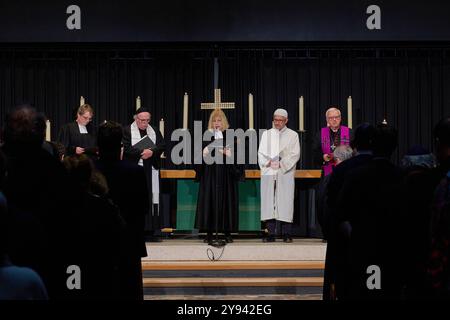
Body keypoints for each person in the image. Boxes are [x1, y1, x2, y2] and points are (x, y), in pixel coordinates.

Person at [96, 120, 149, 299]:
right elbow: (143, 208)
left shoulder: (90, 171)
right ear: (120, 146)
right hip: (128, 243)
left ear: (98, 146)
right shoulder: (135, 172)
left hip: (98, 244)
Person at [195, 108, 244, 245]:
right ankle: (209, 233)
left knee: (226, 202)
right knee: (210, 202)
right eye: (214, 120)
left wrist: (229, 155)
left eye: (219, 120)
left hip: (226, 176)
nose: (217, 123)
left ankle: (227, 233)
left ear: (224, 122)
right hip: (210, 176)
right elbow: (197, 160)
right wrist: (204, 153)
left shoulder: (232, 137)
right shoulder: (205, 137)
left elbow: (239, 160)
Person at [123, 107, 166, 242]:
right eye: (142, 120)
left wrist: (152, 153)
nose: (145, 123)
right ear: (136, 119)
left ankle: (151, 230)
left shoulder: (154, 130)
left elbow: (162, 145)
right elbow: (126, 148)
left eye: (147, 120)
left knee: (150, 198)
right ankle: (135, 230)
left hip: (150, 168)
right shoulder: (126, 130)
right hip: (134, 169)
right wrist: (142, 153)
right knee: (135, 199)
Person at [258, 108, 300, 243]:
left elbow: (295, 154)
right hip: (269, 171)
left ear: (286, 121)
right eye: (275, 120)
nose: (277, 122)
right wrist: (268, 162)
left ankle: (286, 233)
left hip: (284, 172)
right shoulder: (267, 134)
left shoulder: (293, 135)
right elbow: (261, 153)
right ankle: (270, 233)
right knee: (269, 201)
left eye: (280, 120)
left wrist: (282, 163)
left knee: (285, 201)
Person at [313, 107, 351, 176]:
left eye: (337, 117)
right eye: (331, 118)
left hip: (347, 170)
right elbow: (315, 154)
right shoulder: (320, 134)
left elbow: (355, 151)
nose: (334, 120)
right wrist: (323, 157)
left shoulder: (349, 132)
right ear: (327, 120)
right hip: (327, 172)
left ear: (340, 118)